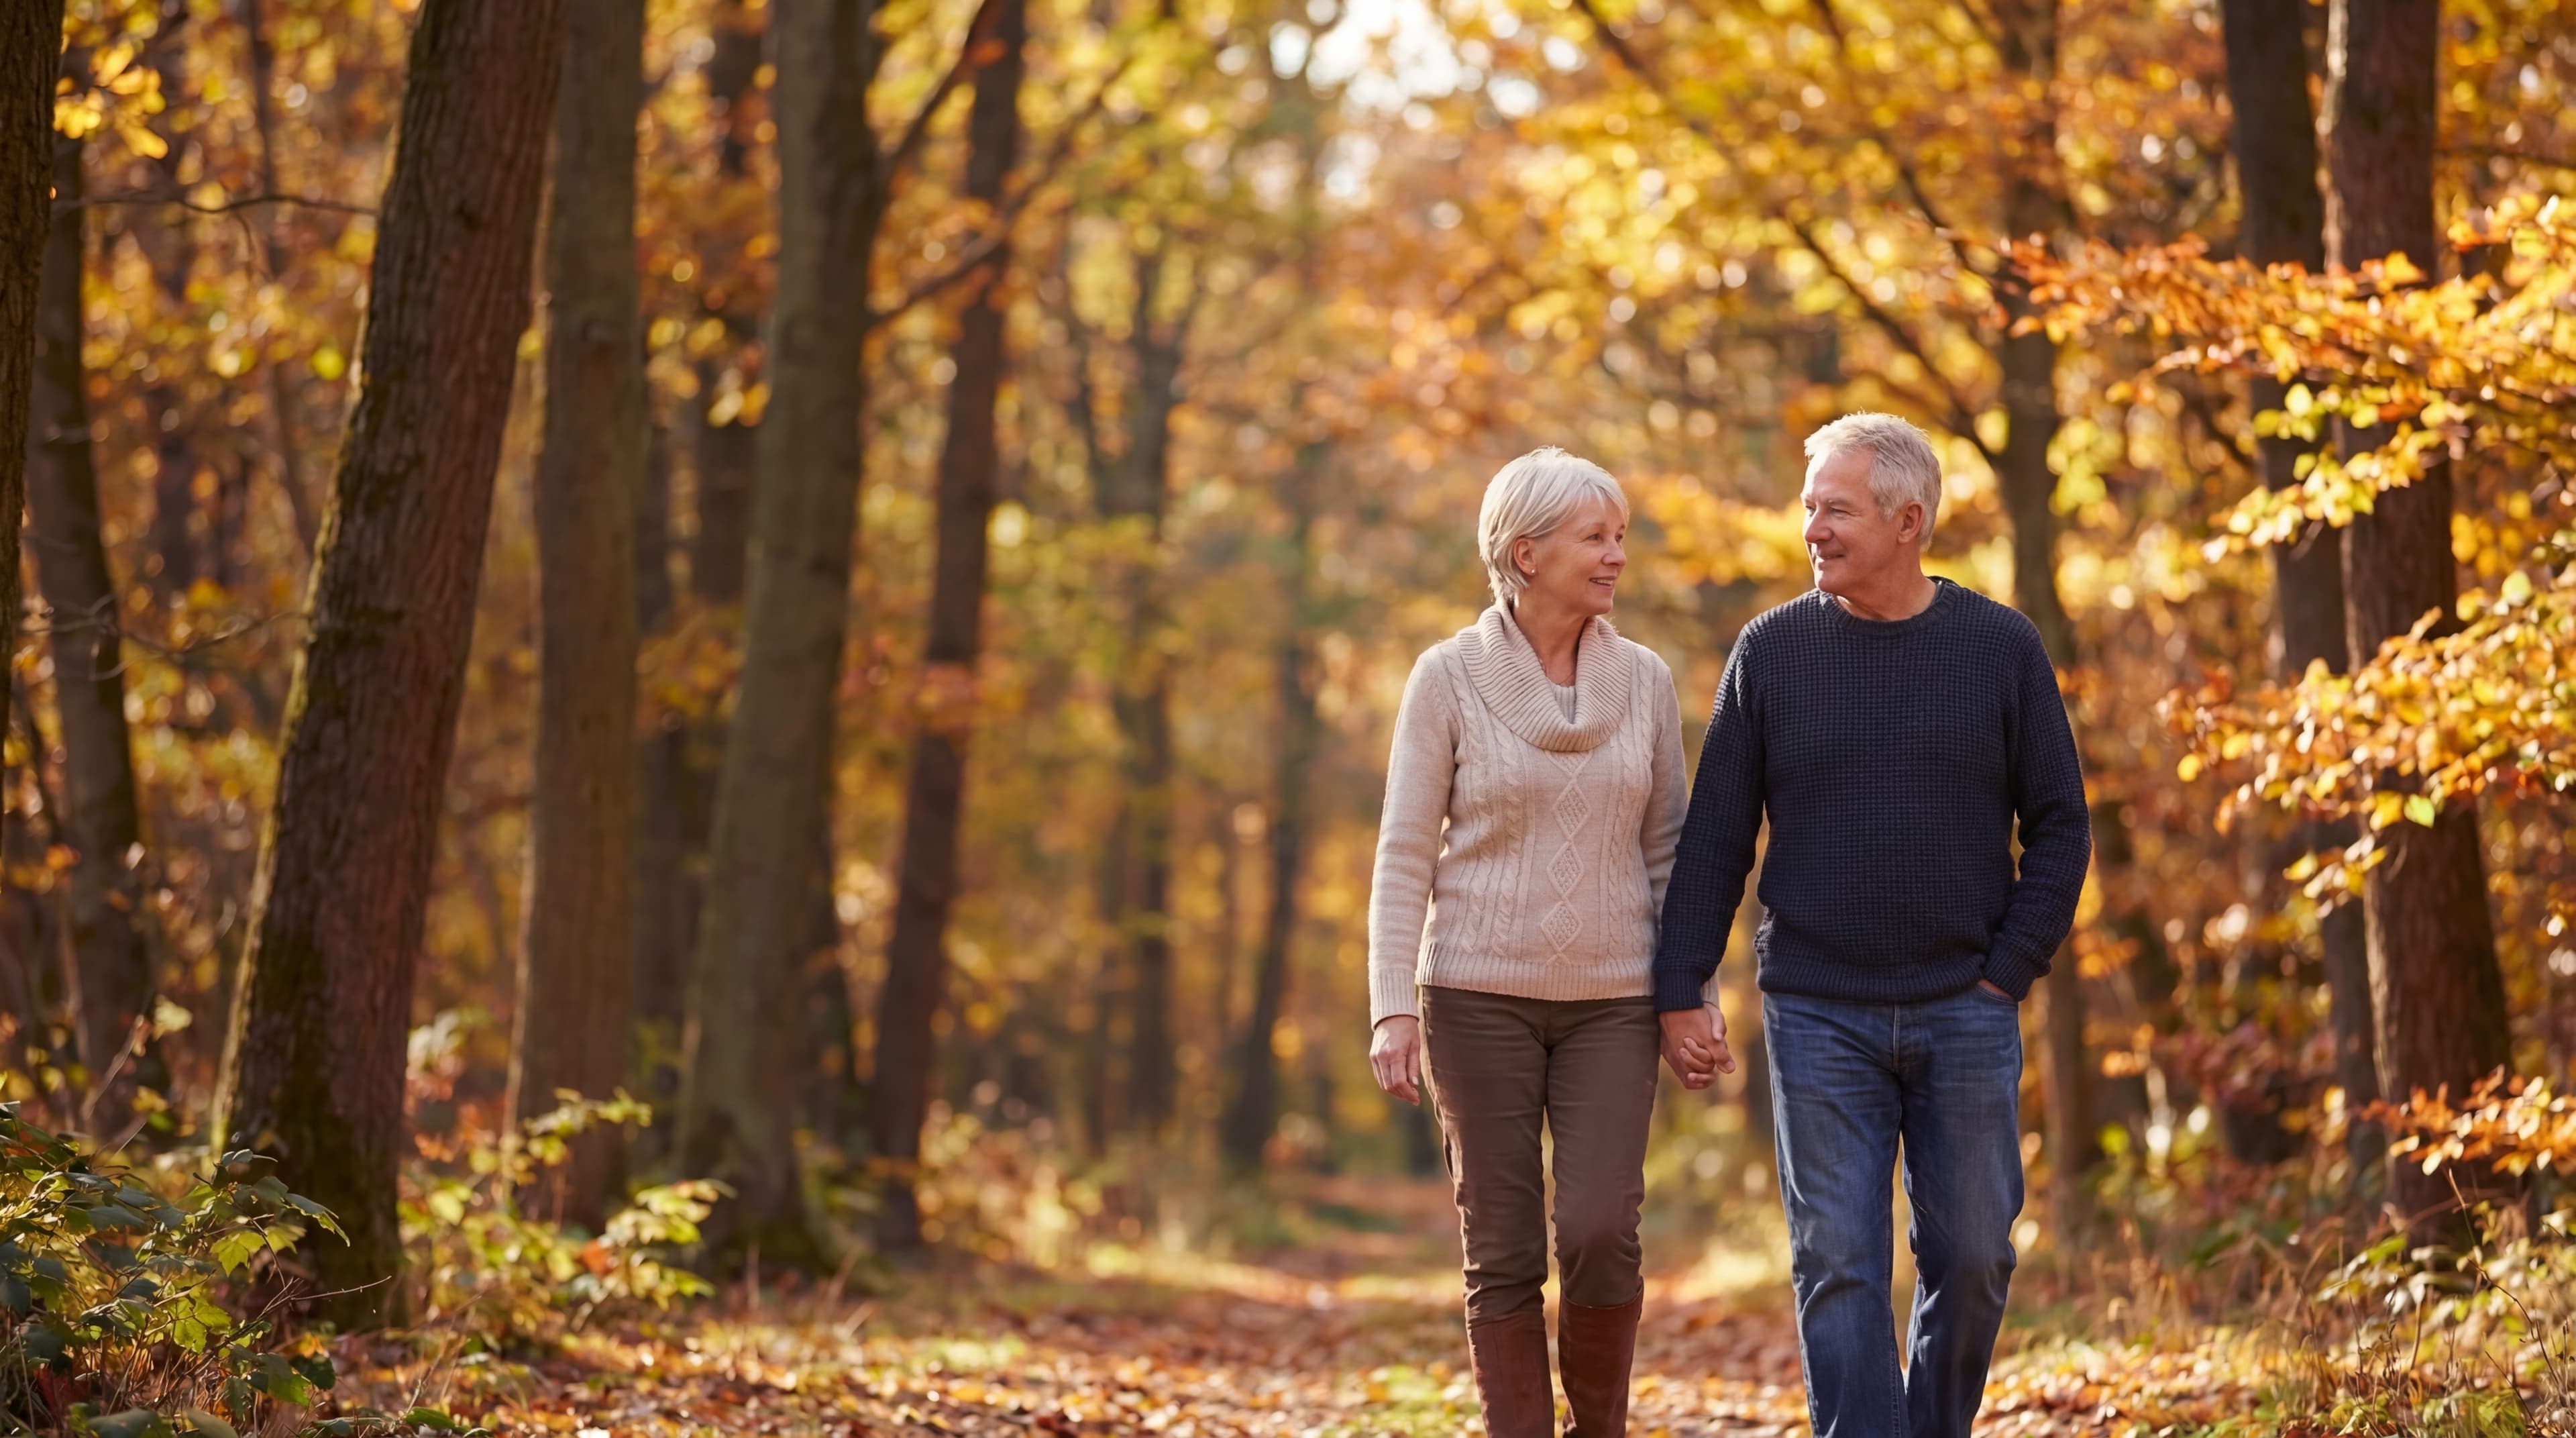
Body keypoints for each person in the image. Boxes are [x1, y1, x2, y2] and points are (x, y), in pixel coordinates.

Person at [1654, 413, 2091, 1438]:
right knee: (1839, 1264)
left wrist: (2009, 968)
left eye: (1835, 509)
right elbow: (1717, 838)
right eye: (1809, 507)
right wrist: (1683, 986)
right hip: (1816, 1011)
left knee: (1978, 1257)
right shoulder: (1771, 652)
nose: (1812, 529)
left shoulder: (1999, 648)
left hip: (1966, 1008)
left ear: (1909, 520)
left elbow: (2063, 827)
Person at [1364, 447, 1701, 1437]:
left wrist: (1691, 994)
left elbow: (1672, 854)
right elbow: (1403, 851)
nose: (1615, 558)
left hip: (1612, 999)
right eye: (1595, 538)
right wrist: (1392, 1006)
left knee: (1601, 1231)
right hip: (1474, 997)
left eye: (1620, 537)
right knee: (1502, 1247)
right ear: (1525, 553)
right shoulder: (1447, 679)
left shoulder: (1644, 683)